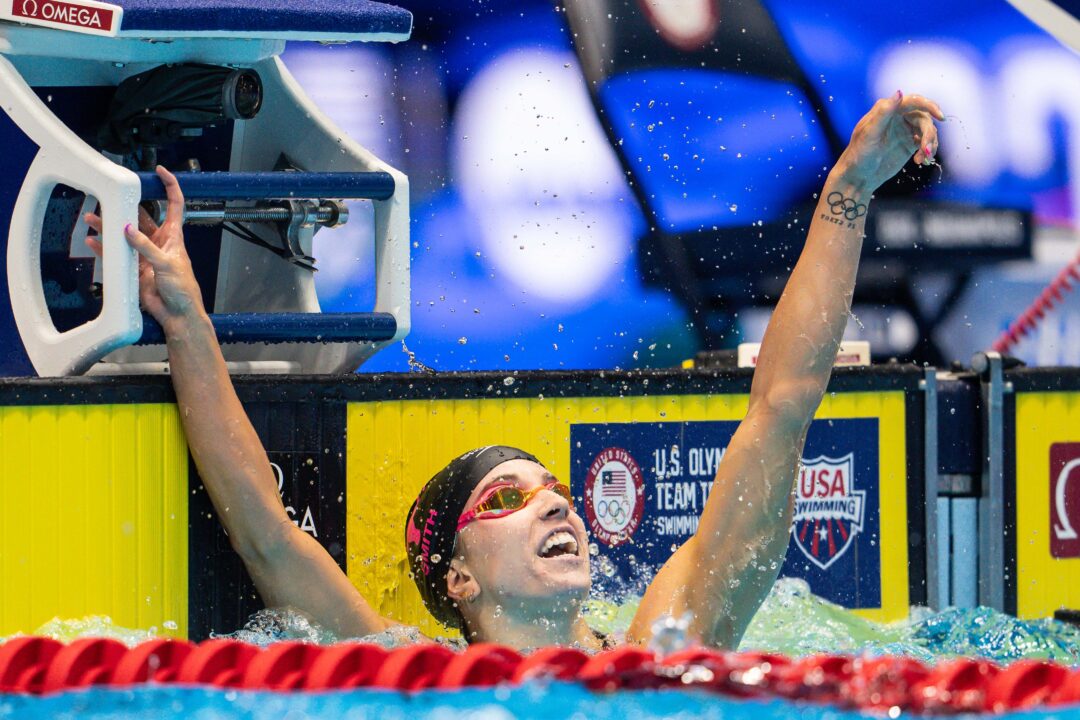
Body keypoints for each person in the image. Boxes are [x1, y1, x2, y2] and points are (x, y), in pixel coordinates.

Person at [85, 91, 943, 650]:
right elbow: (266, 531)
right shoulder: (401, 674)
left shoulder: (668, 642)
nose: (555, 501)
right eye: (507, 499)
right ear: (456, 579)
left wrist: (848, 190)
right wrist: (188, 322)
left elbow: (781, 408)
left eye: (551, 487)